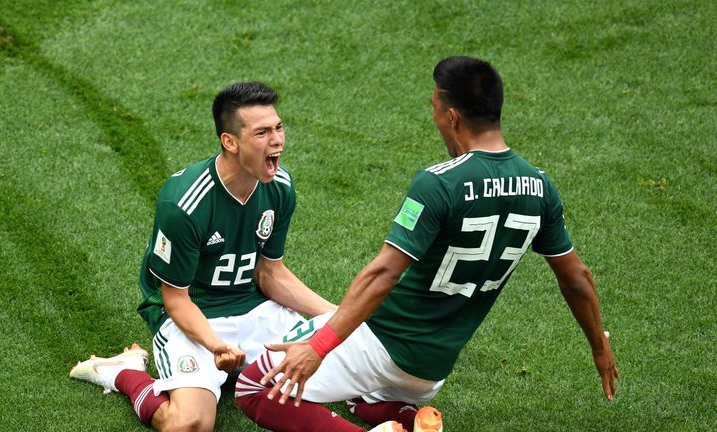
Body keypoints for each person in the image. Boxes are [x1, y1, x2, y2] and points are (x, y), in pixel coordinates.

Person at [233, 56, 619, 432]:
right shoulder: (540, 185)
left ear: (452, 116)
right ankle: (411, 420)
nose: (434, 119)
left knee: (254, 386)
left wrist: (318, 347)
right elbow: (577, 279)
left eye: (435, 108)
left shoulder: (439, 182)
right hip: (432, 371)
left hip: (385, 345)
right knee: (359, 395)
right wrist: (598, 346)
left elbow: (383, 274)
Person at [70, 81, 336, 432]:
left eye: (278, 127)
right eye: (262, 133)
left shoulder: (280, 186)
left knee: (349, 363)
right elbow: (174, 298)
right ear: (230, 141)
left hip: (257, 310)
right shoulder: (184, 203)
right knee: (189, 424)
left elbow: (270, 274)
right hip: (194, 316)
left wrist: (340, 318)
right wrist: (217, 346)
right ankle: (125, 373)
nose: (277, 140)